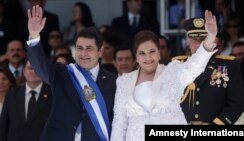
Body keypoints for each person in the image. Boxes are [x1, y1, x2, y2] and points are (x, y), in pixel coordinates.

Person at [111, 10, 218, 141]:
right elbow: (119, 123)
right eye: (142, 53)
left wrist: (211, 36)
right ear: (136, 57)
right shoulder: (124, 81)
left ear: (159, 53)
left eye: (152, 51)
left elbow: (195, 65)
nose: (148, 58)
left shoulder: (173, 71)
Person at [26, 5, 116, 141]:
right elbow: (39, 64)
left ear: (100, 51)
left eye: (89, 48)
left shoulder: (112, 81)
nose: (83, 53)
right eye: (79, 48)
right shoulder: (63, 73)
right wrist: (33, 36)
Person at [178, 17, 244, 125]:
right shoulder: (177, 66)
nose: (199, 44)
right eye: (194, 39)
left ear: (212, 40)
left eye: (203, 39)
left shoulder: (229, 66)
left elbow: (235, 105)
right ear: (188, 42)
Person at [0, 60, 52, 141]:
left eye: (37, 68)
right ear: (24, 71)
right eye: (30, 68)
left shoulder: (53, 95)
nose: (34, 71)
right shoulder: (12, 94)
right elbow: (4, 125)